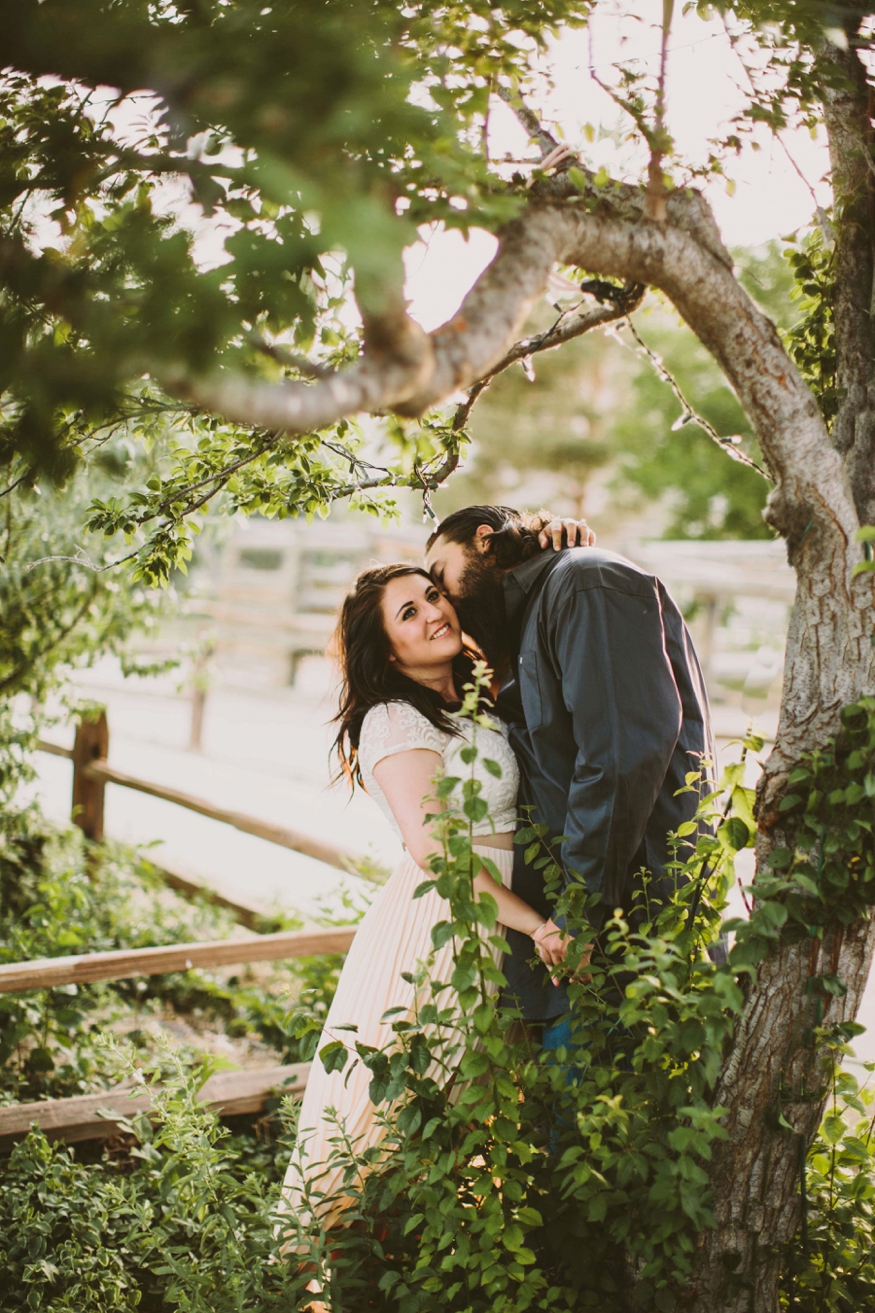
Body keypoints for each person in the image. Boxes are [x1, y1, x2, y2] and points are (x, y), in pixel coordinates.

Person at [278, 523, 589, 1257]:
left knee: (479, 1114)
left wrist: (546, 538)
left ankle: (439, 1269)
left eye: (430, 595)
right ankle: (332, 1279)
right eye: (408, 614)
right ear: (388, 651)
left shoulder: (479, 698)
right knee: (400, 1115)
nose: (432, 612)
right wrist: (536, 926)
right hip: (444, 927)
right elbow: (433, 849)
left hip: (498, 920)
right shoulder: (392, 718)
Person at [424, 505, 714, 1033]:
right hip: (581, 931)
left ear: (484, 541)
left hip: (633, 915)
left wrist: (580, 911)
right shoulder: (527, 620)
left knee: (632, 1099)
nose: (444, 606)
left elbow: (622, 756)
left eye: (441, 579)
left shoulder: (586, 583)